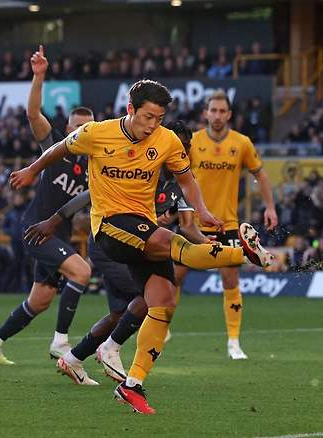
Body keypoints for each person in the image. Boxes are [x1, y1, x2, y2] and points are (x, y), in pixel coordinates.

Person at [9, 79, 274, 414]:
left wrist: (204, 210)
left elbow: (187, 180)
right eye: (148, 117)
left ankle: (132, 385)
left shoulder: (167, 141)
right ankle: (244, 254)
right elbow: (60, 147)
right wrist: (33, 170)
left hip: (143, 226)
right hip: (109, 226)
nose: (154, 125)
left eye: (160, 118)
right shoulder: (97, 133)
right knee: (166, 241)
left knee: (162, 302)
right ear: (131, 109)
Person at [24, 121, 223, 385]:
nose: (183, 152)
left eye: (187, 148)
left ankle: (73, 358)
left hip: (144, 248)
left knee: (121, 313)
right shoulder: (142, 165)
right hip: (111, 243)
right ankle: (110, 348)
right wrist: (54, 220)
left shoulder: (178, 186)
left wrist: (207, 243)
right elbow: (88, 195)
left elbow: (188, 226)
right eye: (181, 146)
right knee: (150, 298)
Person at [0, 46, 93, 365]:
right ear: (69, 129)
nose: (83, 133)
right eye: (78, 128)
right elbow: (33, 115)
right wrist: (39, 76)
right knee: (82, 272)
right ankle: (60, 342)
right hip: (37, 230)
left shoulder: (97, 164)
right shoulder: (55, 148)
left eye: (89, 129)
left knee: (40, 300)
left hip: (60, 236)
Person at [179, 90, 278, 360]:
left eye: (223, 111)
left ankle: (234, 342)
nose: (218, 115)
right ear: (205, 113)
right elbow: (177, 176)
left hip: (227, 224)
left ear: (229, 114)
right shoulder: (193, 142)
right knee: (173, 278)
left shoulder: (242, 143)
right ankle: (161, 329)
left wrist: (270, 206)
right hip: (192, 223)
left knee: (230, 280)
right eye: (214, 110)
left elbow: (260, 174)